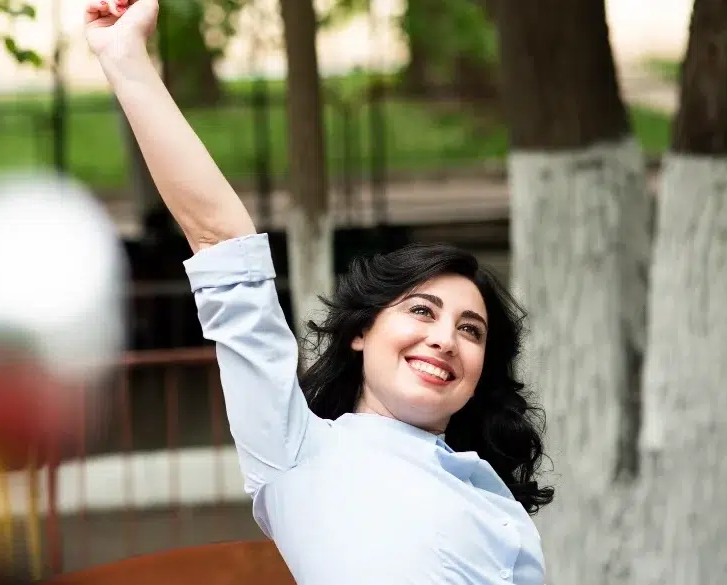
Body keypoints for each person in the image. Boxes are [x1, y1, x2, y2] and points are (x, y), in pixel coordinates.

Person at [84, 0, 553, 583]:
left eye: (469, 329)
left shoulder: (499, 511)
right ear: (362, 332)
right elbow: (220, 242)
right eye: (420, 311)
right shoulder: (299, 452)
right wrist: (125, 58)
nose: (444, 339)